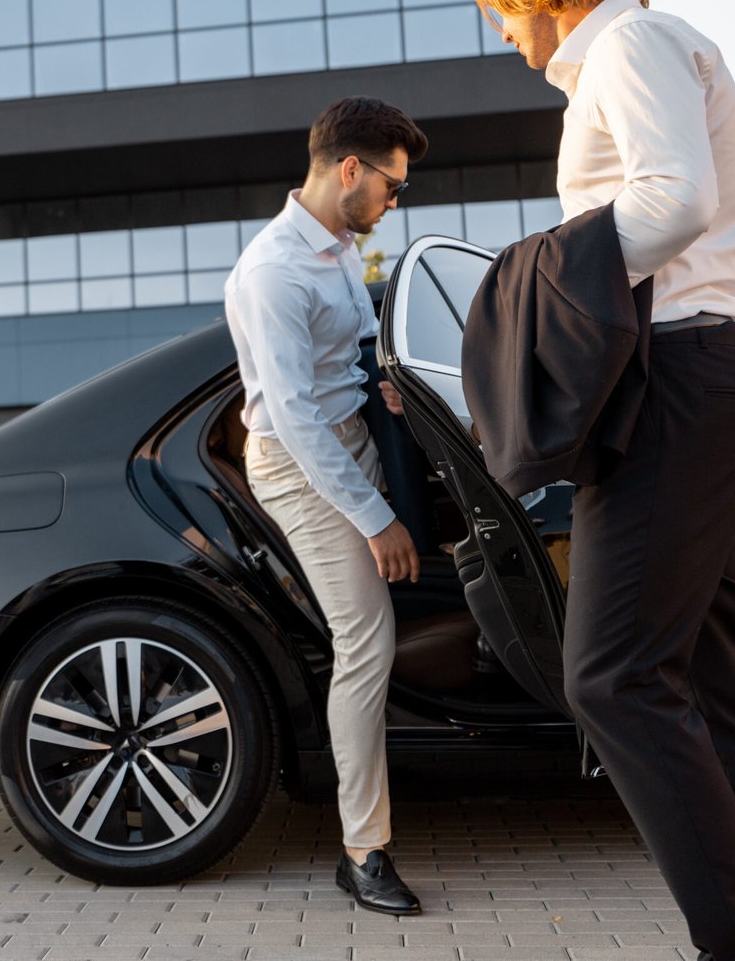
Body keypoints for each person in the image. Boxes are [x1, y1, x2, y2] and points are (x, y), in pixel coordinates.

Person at [470, 0, 735, 959]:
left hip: (673, 383)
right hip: (698, 380)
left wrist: (547, 272)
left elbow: (675, 199)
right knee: (703, 684)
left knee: (608, 678)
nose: (510, 44)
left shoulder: (630, 43)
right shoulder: (652, 47)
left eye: (505, 16)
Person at [223, 96, 428, 916]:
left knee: (391, 612)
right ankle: (362, 851)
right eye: (392, 186)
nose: (392, 202)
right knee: (366, 638)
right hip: (298, 464)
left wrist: (387, 384)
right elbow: (295, 416)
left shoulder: (341, 245)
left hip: (352, 439)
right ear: (351, 168)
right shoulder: (272, 271)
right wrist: (376, 520)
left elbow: (343, 357)